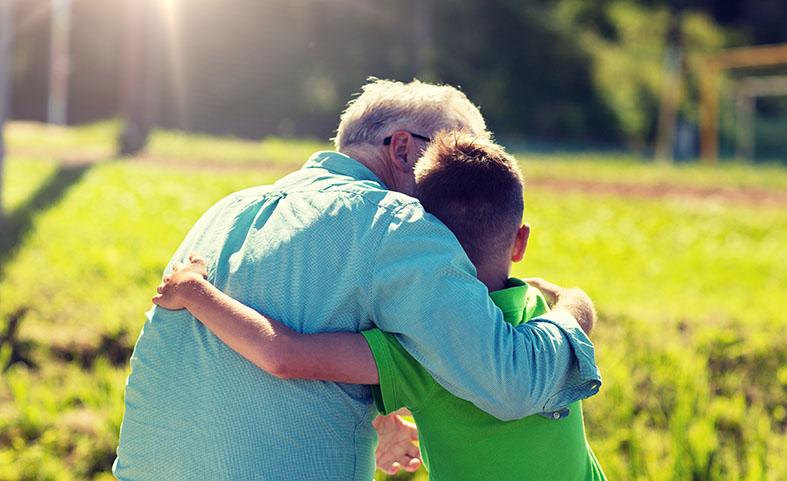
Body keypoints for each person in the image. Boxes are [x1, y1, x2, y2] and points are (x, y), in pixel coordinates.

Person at [113, 79, 602, 480]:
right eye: (447, 158)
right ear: (404, 148)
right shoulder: (398, 224)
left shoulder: (225, 210)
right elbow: (514, 381)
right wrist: (575, 309)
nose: (452, 185)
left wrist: (380, 415)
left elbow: (310, 317)